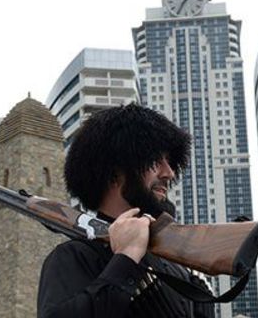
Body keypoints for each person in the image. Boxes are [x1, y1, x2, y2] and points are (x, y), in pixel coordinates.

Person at [37, 103, 214, 317]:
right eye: (155, 161)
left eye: (169, 162)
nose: (168, 173)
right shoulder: (74, 256)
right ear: (114, 172)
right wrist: (126, 259)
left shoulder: (177, 268)